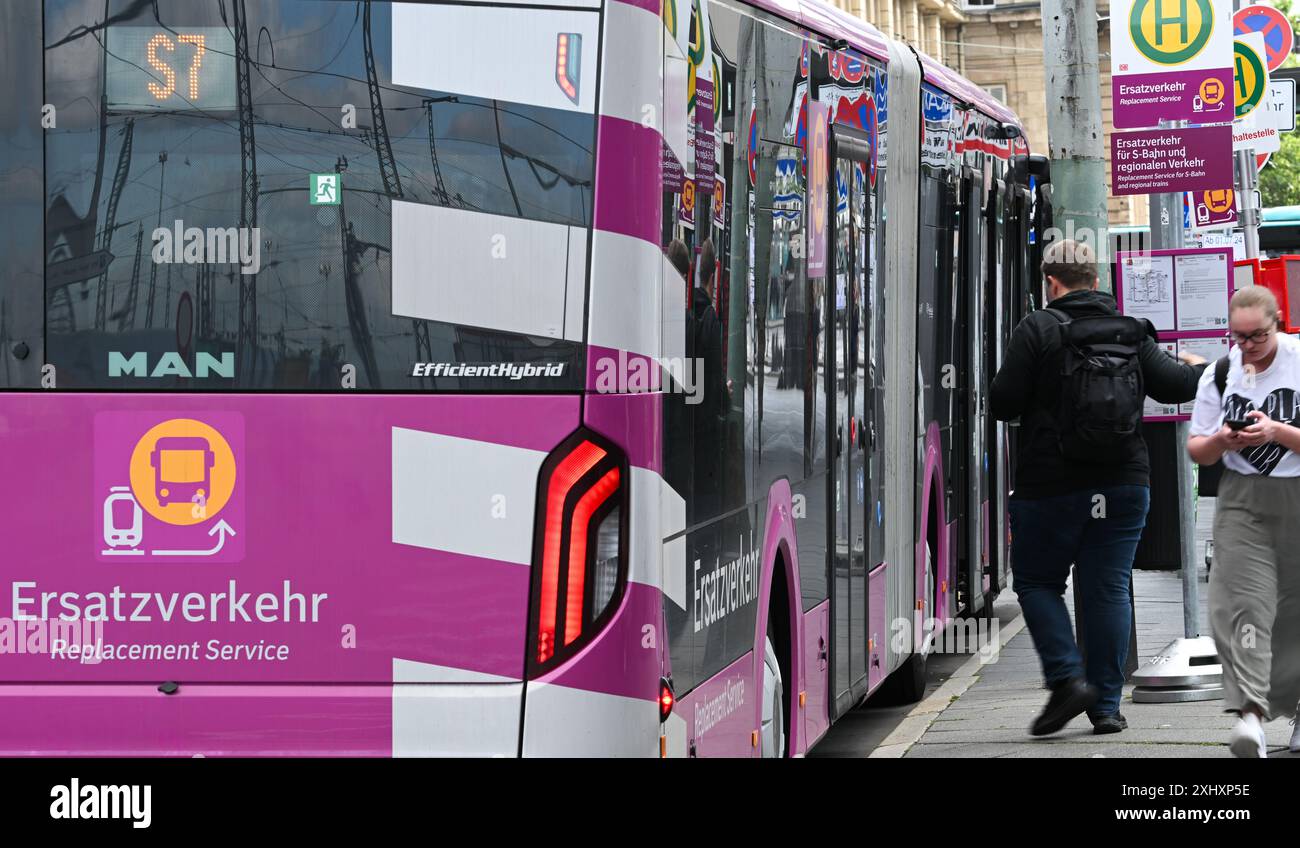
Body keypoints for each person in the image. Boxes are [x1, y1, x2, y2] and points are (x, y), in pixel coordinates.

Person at [989, 239, 1206, 736]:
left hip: (1051, 485)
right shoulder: (1131, 331)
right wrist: (1198, 367)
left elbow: (1003, 402)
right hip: (1124, 482)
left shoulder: (1038, 327)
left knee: (1038, 583)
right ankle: (1106, 707)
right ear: (1097, 279)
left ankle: (1067, 678)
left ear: (1050, 281)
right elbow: (1175, 386)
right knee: (1108, 588)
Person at [1187, 285, 1300, 758]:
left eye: (1258, 336)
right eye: (1239, 337)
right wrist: (1223, 442)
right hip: (1242, 498)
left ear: (1279, 323)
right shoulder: (1221, 372)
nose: (1248, 346)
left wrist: (1278, 432)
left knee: (1294, 612)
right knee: (1240, 603)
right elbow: (1197, 447)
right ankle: (1250, 714)